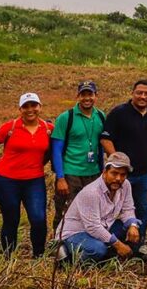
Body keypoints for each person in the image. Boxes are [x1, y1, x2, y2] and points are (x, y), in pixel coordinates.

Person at [0, 92, 53, 257]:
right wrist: (2, 163)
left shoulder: (48, 129)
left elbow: (51, 152)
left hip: (34, 181)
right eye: (25, 106)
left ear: (40, 107)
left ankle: (38, 256)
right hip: (6, 181)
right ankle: (7, 257)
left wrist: (39, 164)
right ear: (20, 109)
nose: (30, 109)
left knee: (38, 218)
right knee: (12, 219)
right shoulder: (10, 127)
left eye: (33, 105)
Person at [100, 79, 147, 245]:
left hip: (145, 174)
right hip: (123, 175)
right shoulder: (119, 113)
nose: (143, 96)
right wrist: (116, 159)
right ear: (132, 93)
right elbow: (105, 139)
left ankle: (137, 244)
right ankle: (112, 243)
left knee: (143, 209)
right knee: (113, 209)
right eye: (139, 93)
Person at [56, 152, 141, 264]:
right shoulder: (91, 192)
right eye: (114, 173)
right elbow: (93, 227)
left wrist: (133, 225)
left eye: (123, 175)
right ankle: (68, 259)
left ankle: (106, 257)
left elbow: (128, 209)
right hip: (76, 232)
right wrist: (118, 244)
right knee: (98, 249)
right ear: (105, 172)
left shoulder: (125, 185)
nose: (118, 178)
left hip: (103, 226)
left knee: (133, 232)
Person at [51, 81, 107, 230]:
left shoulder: (101, 116)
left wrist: (103, 170)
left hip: (93, 173)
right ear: (78, 96)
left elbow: (102, 145)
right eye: (83, 94)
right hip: (71, 174)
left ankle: (84, 244)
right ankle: (59, 243)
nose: (87, 98)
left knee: (92, 211)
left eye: (90, 94)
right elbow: (56, 149)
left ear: (96, 96)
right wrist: (60, 178)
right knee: (65, 211)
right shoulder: (66, 118)